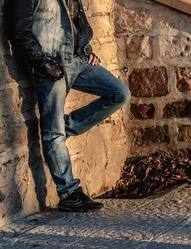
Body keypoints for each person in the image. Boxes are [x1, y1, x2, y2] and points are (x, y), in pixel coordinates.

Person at [11, 0, 131, 211]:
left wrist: (86, 48)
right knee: (53, 131)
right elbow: (18, 30)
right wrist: (42, 64)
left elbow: (74, 21)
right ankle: (68, 193)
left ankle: (57, 133)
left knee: (119, 94)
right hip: (51, 64)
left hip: (77, 60)